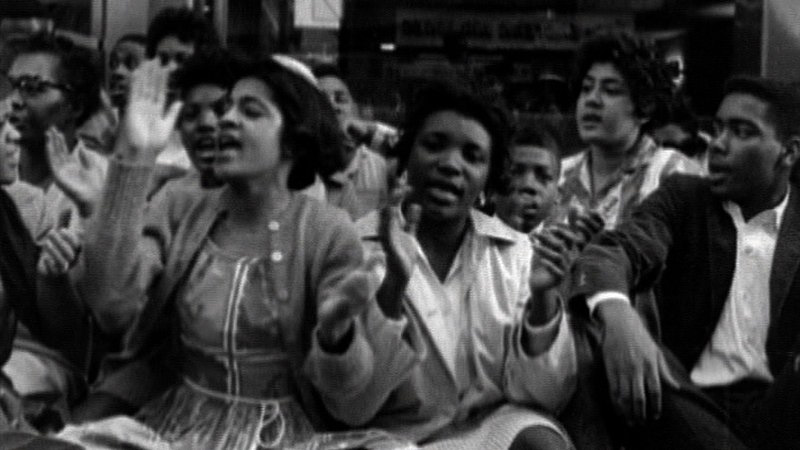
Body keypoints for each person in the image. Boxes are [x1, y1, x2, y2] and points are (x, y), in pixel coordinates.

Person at [53, 58, 413, 448]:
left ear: (293, 138)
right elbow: (111, 304)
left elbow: (350, 402)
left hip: (283, 436)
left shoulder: (327, 229)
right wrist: (133, 161)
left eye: (250, 110)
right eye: (228, 108)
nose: (225, 120)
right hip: (176, 424)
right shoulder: (180, 204)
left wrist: (336, 336)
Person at [349, 82, 600, 449]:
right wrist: (393, 288)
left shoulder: (516, 252)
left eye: (473, 155)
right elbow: (351, 404)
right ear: (406, 158)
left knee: (543, 443)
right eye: (434, 145)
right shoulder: (357, 247)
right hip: (391, 435)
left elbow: (546, 394)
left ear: (490, 177)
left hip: (486, 426)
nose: (451, 165)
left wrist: (543, 299)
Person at [569, 76, 800, 449]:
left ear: (788, 153)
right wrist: (617, 313)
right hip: (687, 399)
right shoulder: (686, 199)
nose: (718, 145)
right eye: (718, 128)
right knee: (624, 342)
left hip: (777, 409)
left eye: (741, 132)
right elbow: (613, 252)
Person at [1, 33, 104, 421]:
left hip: (47, 358)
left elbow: (83, 329)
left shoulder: (98, 185)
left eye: (32, 88)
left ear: (74, 104)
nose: (14, 101)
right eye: (11, 86)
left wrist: (53, 277)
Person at [559, 33, 700, 230]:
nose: (592, 99)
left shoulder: (672, 174)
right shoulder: (559, 175)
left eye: (610, 90)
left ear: (646, 107)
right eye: (586, 88)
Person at [314, 64, 393, 219]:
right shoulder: (299, 168)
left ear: (355, 108)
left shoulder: (380, 166)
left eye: (341, 99)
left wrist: (371, 133)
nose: (333, 106)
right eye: (322, 101)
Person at [493, 123, 562, 234]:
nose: (528, 184)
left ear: (557, 194)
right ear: (492, 188)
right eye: (514, 172)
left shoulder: (567, 249)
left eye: (543, 176)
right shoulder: (462, 243)